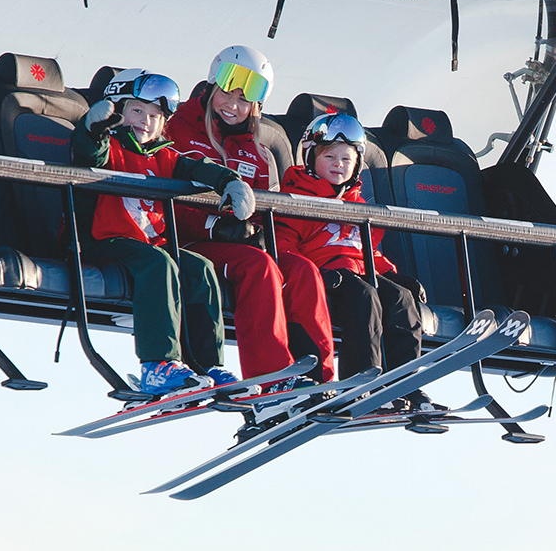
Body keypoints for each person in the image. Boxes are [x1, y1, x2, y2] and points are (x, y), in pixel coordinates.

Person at [73, 68, 254, 395]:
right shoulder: (110, 147)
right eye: (137, 111)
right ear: (117, 110)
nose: (146, 121)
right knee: (159, 263)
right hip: (101, 239)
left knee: (199, 268)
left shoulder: (164, 157)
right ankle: (157, 365)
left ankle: (207, 364)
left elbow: (199, 168)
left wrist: (230, 181)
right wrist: (93, 128)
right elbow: (90, 152)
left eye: (155, 116)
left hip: (145, 245)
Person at [167, 45, 337, 383]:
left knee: (301, 269)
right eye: (228, 92)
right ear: (212, 86)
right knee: (258, 267)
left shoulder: (256, 152)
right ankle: (271, 376)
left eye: (245, 99)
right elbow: (166, 199)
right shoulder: (178, 131)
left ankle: (317, 377)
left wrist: (257, 231)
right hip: (185, 241)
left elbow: (262, 209)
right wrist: (214, 227)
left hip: (237, 244)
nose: (233, 105)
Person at [274, 112, 443, 412]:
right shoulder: (297, 198)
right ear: (311, 157)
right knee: (363, 296)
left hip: (359, 273)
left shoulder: (357, 206)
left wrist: (391, 274)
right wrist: (314, 273)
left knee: (401, 298)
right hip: (329, 280)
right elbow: (283, 243)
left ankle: (403, 383)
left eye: (346, 159)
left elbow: (368, 252)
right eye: (329, 156)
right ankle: (360, 383)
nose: (338, 164)